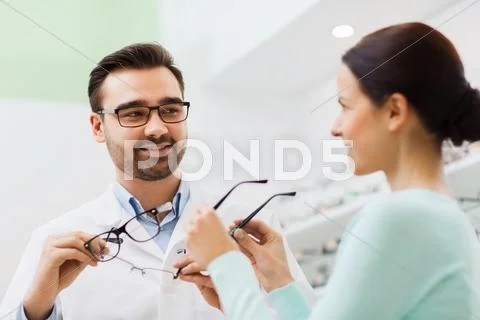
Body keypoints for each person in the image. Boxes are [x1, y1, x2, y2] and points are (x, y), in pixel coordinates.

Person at [178, 22, 480, 319]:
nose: (335, 128)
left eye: (345, 106)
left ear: (394, 111)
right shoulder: (439, 214)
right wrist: (280, 283)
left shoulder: (399, 217)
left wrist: (225, 262)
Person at [0, 43, 315, 320]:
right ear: (98, 127)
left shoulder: (254, 227)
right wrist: (35, 310)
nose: (157, 128)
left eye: (170, 109)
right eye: (134, 114)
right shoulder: (54, 241)